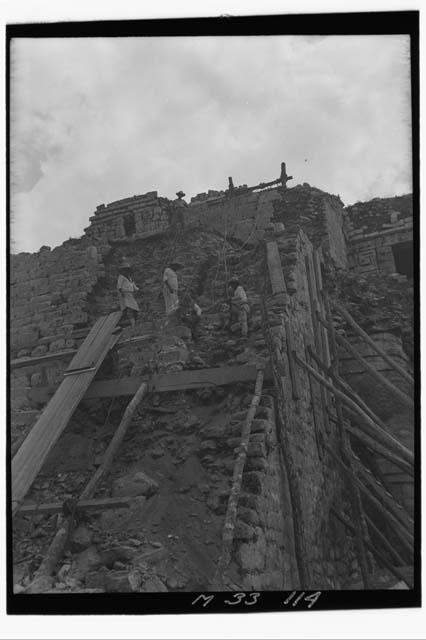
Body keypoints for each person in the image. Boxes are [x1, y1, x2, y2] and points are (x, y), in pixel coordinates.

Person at [117, 262, 139, 328]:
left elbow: (133, 285)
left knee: (135, 308)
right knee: (129, 308)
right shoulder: (121, 277)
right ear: (122, 270)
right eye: (124, 269)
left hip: (130, 294)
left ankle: (134, 322)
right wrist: (122, 293)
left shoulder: (129, 277)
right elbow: (119, 286)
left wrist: (137, 289)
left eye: (127, 269)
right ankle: (132, 323)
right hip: (125, 294)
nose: (126, 271)